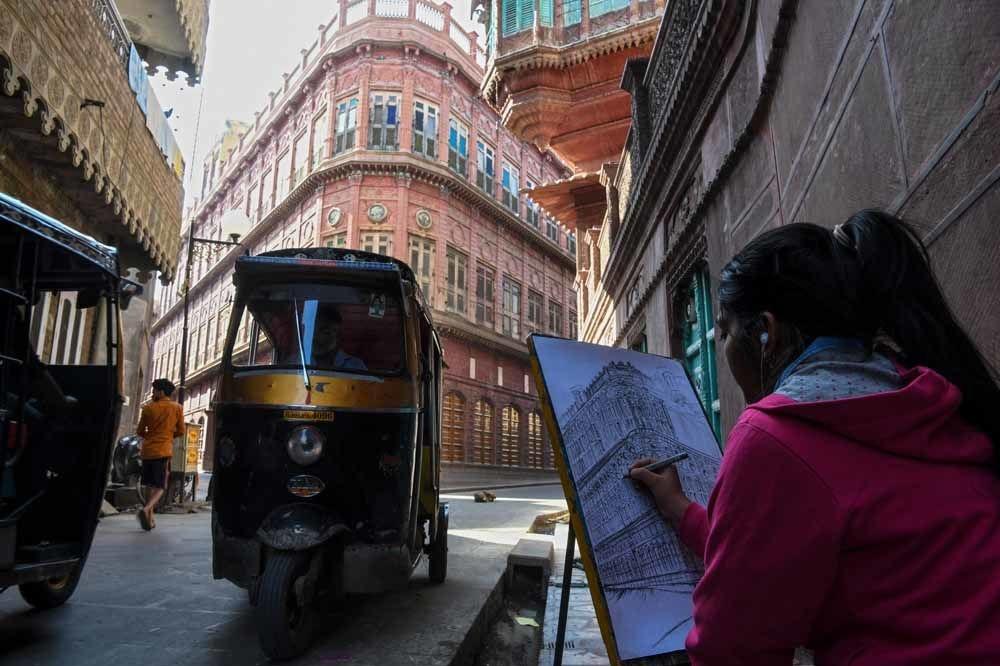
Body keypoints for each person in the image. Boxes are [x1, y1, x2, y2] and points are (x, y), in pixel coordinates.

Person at [630, 210, 1000, 664]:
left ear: (766, 332)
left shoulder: (776, 436)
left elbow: (731, 649)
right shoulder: (921, 393)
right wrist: (680, 511)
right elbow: (770, 556)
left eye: (723, 331)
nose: (722, 347)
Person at [135, 378, 185, 531]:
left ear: (161, 392)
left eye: (155, 390)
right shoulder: (176, 408)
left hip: (148, 450)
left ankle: (150, 519)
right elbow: (181, 430)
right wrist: (168, 435)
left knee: (148, 483)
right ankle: (147, 509)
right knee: (161, 485)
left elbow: (140, 431)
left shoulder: (148, 408)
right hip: (163, 450)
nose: (153, 393)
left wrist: (151, 435)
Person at [310, 304, 366, 371]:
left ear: (337, 336)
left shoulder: (355, 366)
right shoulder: (297, 362)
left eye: (325, 332)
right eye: (311, 331)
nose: (314, 337)